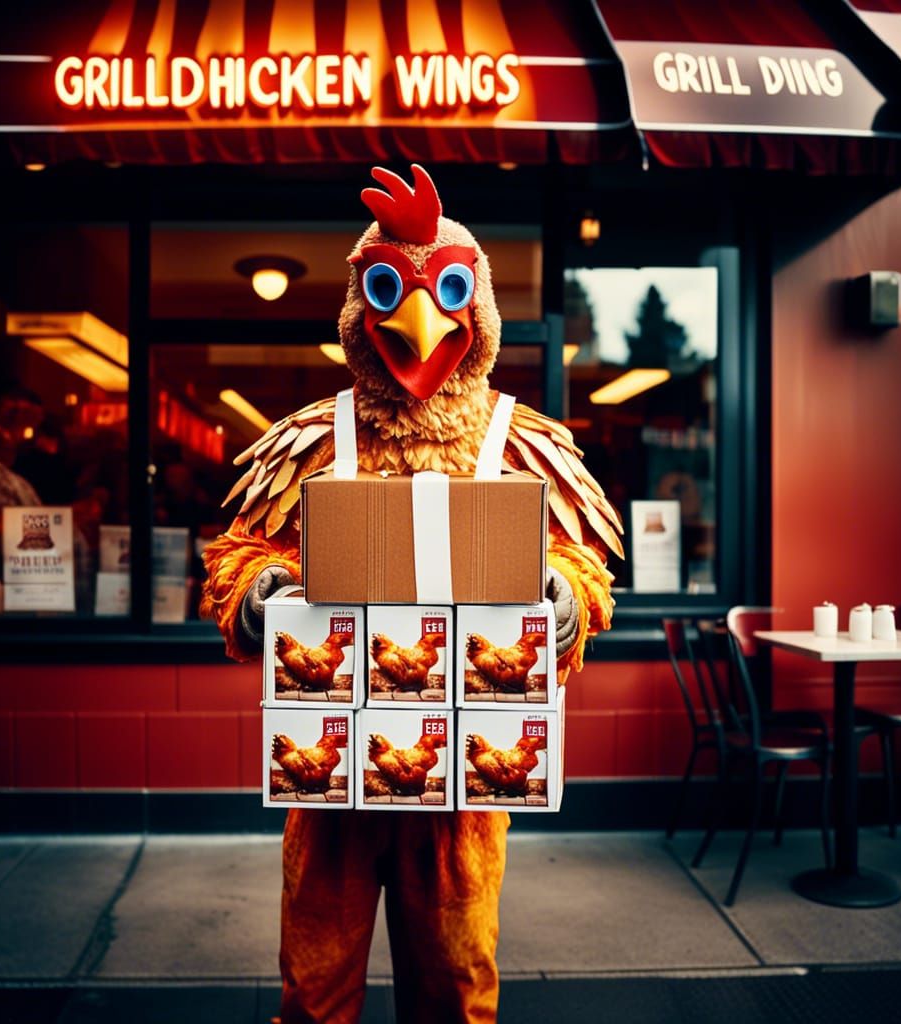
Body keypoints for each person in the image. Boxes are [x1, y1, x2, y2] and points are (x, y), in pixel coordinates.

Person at [202, 165, 621, 1023]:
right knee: (315, 986)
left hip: (461, 791)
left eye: (448, 289)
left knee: (456, 987)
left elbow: (583, 569)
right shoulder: (314, 440)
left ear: (481, 307)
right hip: (332, 778)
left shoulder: (522, 443)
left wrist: (564, 599)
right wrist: (256, 592)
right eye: (390, 289)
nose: (420, 320)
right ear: (361, 309)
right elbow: (241, 552)